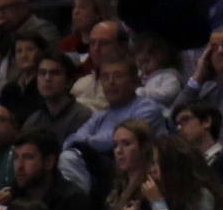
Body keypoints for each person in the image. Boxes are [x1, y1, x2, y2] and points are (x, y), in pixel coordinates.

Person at [59, 58, 166, 195]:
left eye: (118, 76)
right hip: (109, 177)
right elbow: (70, 141)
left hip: (146, 177)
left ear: (134, 82)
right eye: (105, 77)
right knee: (68, 156)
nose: (111, 82)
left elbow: (112, 141)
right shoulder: (100, 116)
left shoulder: (147, 108)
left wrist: (85, 143)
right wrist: (85, 144)